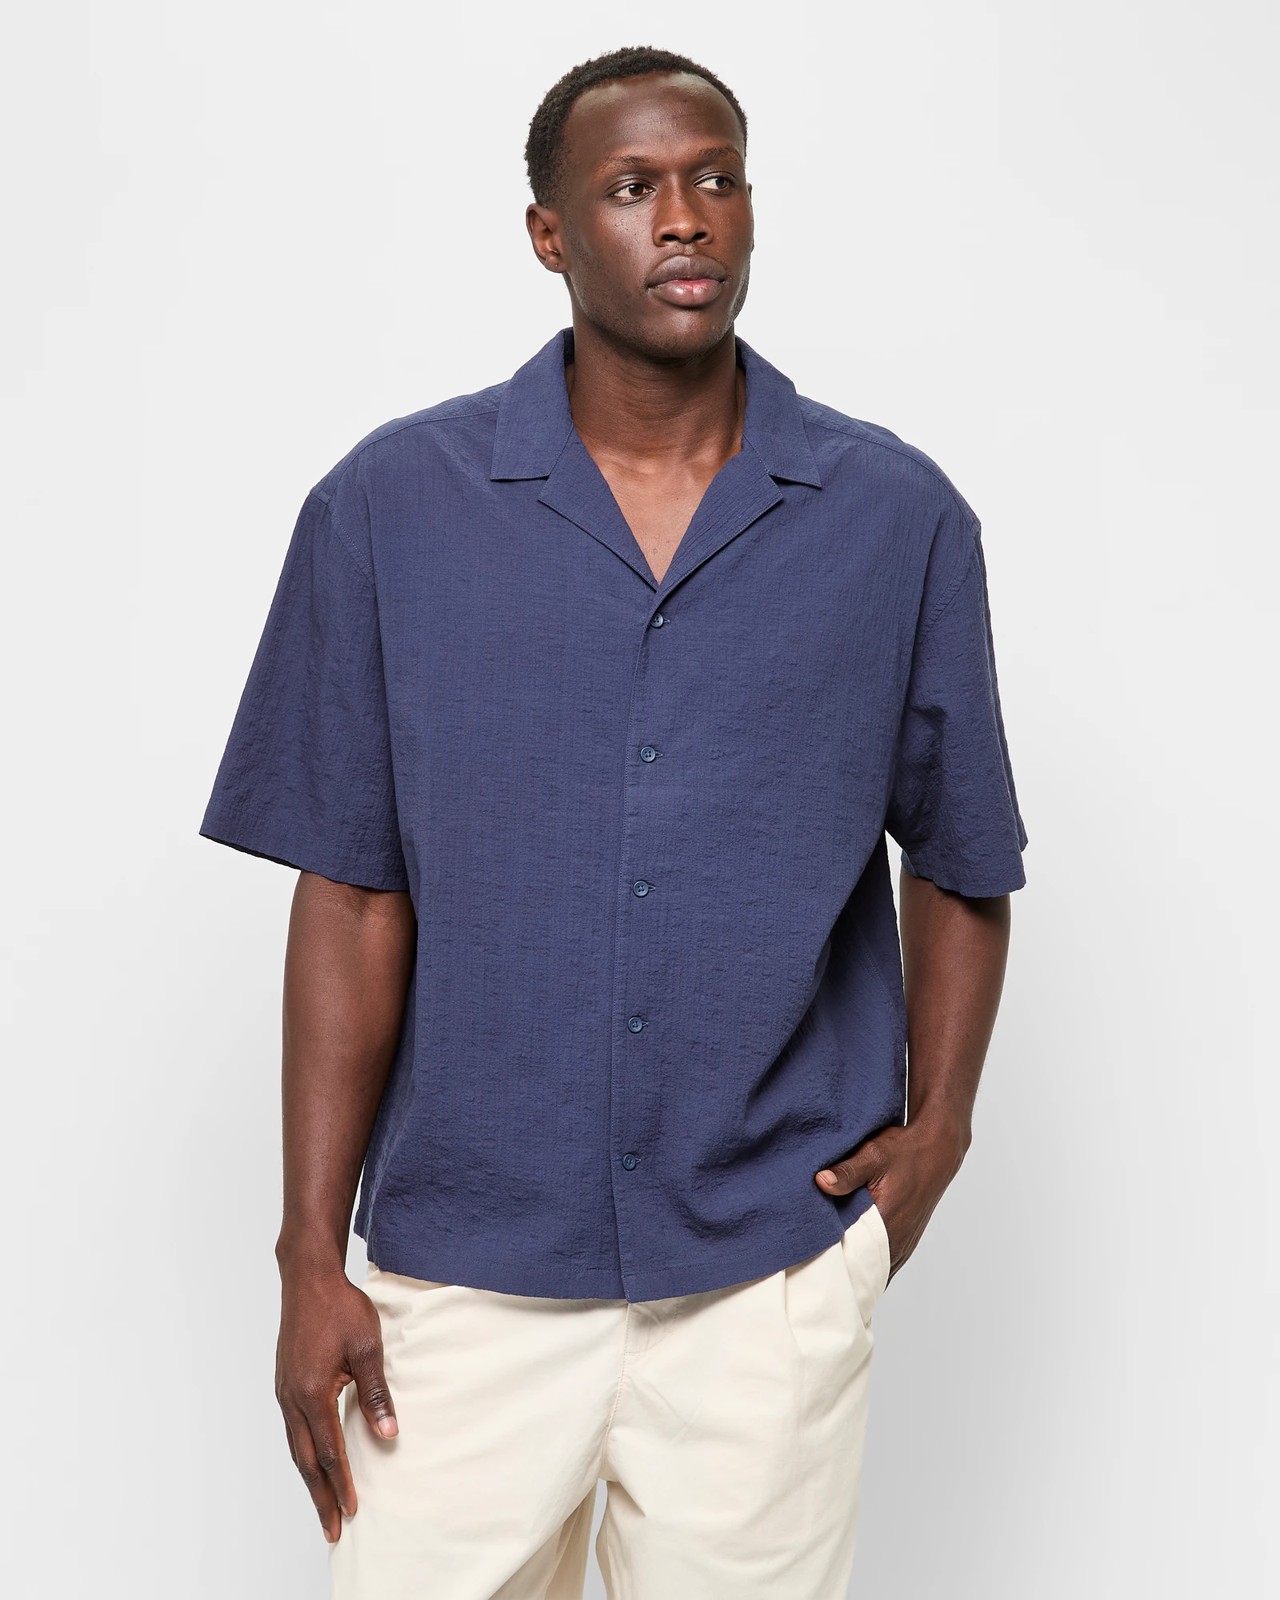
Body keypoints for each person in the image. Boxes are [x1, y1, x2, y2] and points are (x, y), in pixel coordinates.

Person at [199, 43, 1028, 1600]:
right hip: (463, 1283)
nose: (686, 217)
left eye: (716, 179)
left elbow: (963, 859)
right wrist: (311, 1255)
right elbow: (351, 892)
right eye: (634, 187)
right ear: (549, 233)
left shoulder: (896, 519)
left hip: (766, 1279)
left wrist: (943, 1135)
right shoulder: (391, 507)